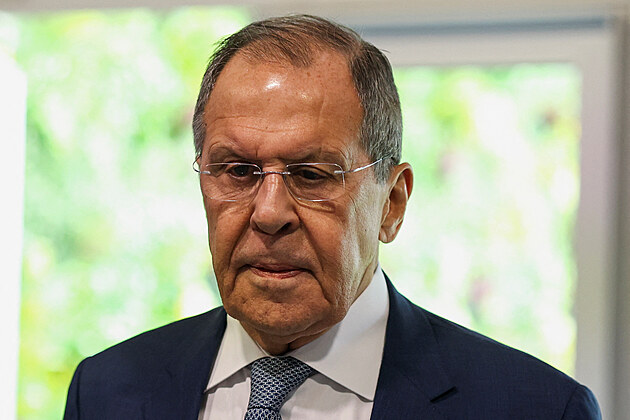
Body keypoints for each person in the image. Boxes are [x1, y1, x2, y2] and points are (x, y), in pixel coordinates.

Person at [64, 14, 601, 419]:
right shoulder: (107, 392)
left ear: (392, 204)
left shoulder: (536, 408)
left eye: (312, 175)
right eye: (238, 171)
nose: (269, 213)